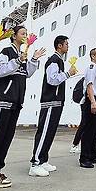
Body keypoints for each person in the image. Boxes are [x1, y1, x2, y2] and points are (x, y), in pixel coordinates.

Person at [0, 26, 46, 191]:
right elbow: (0, 71)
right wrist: (18, 60)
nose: (25, 36)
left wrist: (33, 59)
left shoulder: (21, 55)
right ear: (14, 36)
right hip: (3, 101)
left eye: (26, 34)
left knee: (6, 139)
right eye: (23, 33)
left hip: (15, 103)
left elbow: (26, 73)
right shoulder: (6, 51)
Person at [30, 35, 77, 176]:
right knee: (44, 132)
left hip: (56, 102)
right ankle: (35, 163)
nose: (68, 46)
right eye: (66, 44)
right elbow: (52, 80)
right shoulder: (54, 60)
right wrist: (68, 73)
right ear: (59, 46)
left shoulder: (59, 61)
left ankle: (43, 160)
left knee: (50, 132)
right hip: (50, 101)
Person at [79, 48, 96, 168]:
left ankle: (93, 155)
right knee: (89, 130)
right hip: (93, 99)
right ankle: (84, 158)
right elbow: (90, 86)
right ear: (92, 56)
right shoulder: (91, 68)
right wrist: (93, 102)